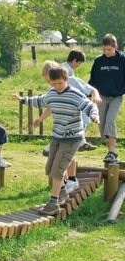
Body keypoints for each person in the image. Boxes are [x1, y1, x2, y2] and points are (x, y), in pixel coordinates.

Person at [14, 65, 99, 216]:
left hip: (72, 138)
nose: (57, 87)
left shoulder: (74, 94)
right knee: (50, 169)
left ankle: (53, 203)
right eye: (54, 84)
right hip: (58, 136)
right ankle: (62, 192)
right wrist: (23, 100)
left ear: (66, 80)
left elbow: (89, 105)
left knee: (58, 169)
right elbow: (40, 101)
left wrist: (94, 115)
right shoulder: (52, 93)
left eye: (60, 83)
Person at [37, 61, 102, 194]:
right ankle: (67, 180)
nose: (50, 84)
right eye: (48, 81)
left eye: (50, 80)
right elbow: (50, 106)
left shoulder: (72, 81)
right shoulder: (54, 87)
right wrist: (42, 118)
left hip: (78, 120)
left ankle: (70, 180)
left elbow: (92, 89)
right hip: (63, 126)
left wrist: (96, 97)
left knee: (66, 152)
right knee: (65, 153)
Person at [89, 33, 125, 164]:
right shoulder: (99, 61)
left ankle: (112, 151)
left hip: (116, 97)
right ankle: (109, 150)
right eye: (104, 49)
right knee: (102, 123)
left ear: (115, 47)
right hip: (101, 97)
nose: (106, 52)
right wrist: (88, 94)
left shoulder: (122, 60)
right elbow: (92, 79)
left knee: (110, 120)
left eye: (109, 49)